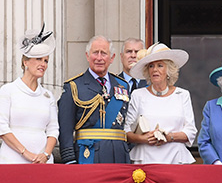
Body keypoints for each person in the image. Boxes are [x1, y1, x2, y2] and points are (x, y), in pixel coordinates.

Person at [57, 35, 130, 164]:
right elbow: (65, 129)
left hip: (118, 155)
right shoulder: (74, 86)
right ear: (87, 56)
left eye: (104, 53)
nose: (99, 58)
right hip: (88, 155)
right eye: (95, 53)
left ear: (112, 58)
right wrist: (69, 159)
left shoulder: (122, 86)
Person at [124, 43, 197, 164]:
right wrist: (143, 138)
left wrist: (169, 137)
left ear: (169, 70)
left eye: (160, 65)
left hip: (176, 159)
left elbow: (190, 132)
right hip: (145, 159)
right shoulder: (138, 95)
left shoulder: (182, 95)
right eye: (151, 66)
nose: (155, 70)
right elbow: (126, 131)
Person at [0, 24, 58, 163]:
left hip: (43, 164)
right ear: (25, 62)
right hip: (13, 161)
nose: (43, 64)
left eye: (46, 61)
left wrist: (45, 155)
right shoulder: (8, 90)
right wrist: (26, 153)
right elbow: (2, 127)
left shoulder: (48, 96)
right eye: (38, 59)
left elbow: (53, 130)